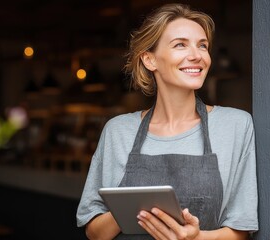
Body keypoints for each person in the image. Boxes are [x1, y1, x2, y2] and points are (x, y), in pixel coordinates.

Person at [76, 3, 258, 240]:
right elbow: (94, 232)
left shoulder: (235, 125)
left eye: (202, 45)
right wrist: (131, 207)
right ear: (150, 60)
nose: (197, 55)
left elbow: (241, 231)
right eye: (180, 44)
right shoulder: (118, 131)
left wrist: (195, 238)